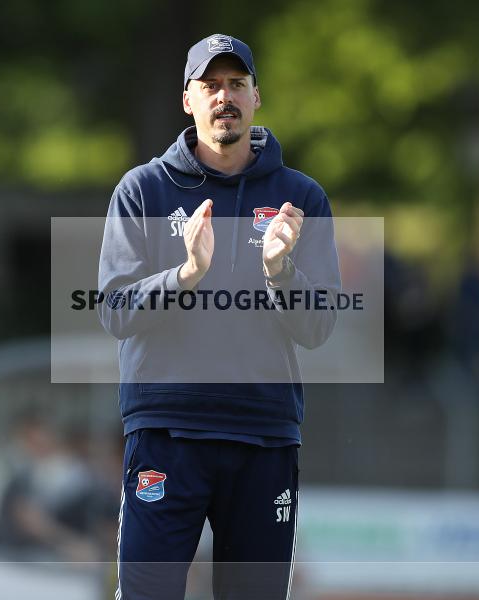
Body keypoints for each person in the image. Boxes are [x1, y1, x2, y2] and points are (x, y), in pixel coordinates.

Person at [97, 34, 341, 600]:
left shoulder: (300, 198)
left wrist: (280, 271)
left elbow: (319, 326)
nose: (223, 97)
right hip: (166, 434)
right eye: (210, 86)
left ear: (256, 97)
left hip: (263, 437)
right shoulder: (142, 190)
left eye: (236, 84)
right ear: (188, 100)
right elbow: (114, 309)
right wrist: (185, 274)